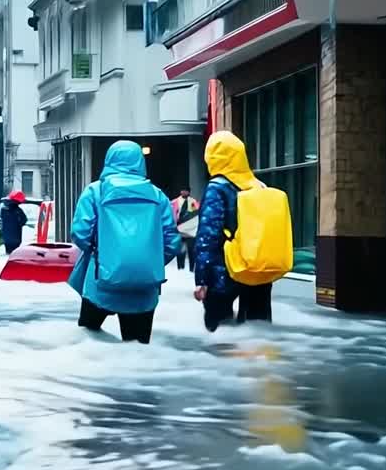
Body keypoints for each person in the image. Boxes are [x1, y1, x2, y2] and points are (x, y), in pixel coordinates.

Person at [69, 140, 181, 343]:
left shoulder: (95, 192)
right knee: (137, 351)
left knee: (89, 341)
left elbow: (80, 233)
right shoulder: (158, 196)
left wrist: (100, 256)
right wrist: (149, 261)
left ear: (109, 160)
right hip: (144, 289)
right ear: (140, 161)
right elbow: (172, 242)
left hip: (99, 284)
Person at [194, 131, 275, 331]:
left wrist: (202, 279)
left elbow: (208, 236)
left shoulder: (217, 188)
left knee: (220, 334)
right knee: (258, 335)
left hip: (226, 271)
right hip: (257, 270)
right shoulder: (259, 186)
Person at [172, 186, 200, 271]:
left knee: (191, 250)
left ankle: (192, 268)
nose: (184, 192)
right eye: (182, 190)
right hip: (179, 229)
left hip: (191, 231)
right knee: (180, 250)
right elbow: (173, 215)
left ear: (189, 192)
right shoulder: (175, 202)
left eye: (186, 191)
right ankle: (180, 268)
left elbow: (196, 215)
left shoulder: (193, 202)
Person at [0, 190, 27, 255]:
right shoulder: (18, 211)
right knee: (15, 255)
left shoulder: (3, 209)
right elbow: (24, 220)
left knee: (8, 253)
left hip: (6, 237)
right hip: (16, 238)